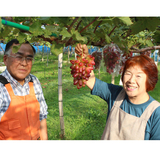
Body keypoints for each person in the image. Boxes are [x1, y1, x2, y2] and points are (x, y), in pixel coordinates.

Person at [75, 43, 160, 140]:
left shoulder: (156, 113)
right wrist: (84, 57)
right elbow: (90, 80)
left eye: (138, 76)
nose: (131, 80)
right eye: (128, 73)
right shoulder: (116, 94)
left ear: (150, 80)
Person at [0, 39, 48, 140]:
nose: (24, 63)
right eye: (18, 57)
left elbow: (42, 117)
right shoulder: (1, 87)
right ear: (5, 59)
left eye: (29, 59)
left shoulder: (34, 81)